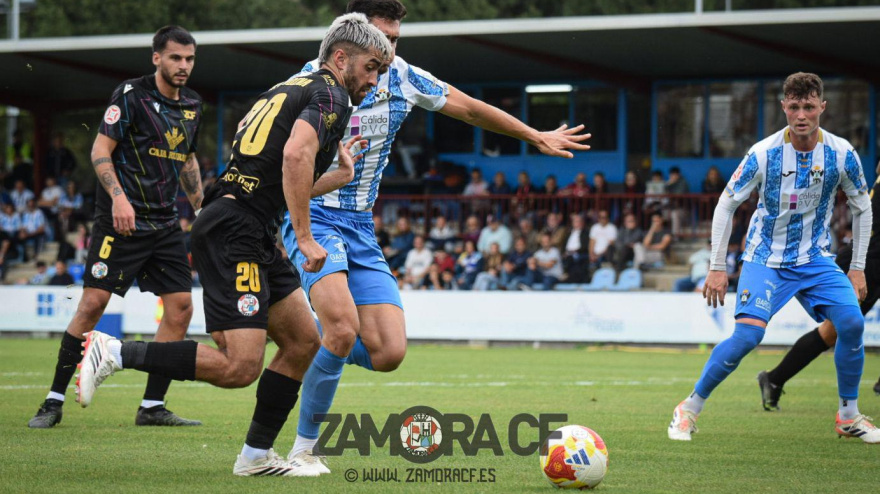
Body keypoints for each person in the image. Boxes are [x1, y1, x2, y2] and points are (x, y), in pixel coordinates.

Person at [279, 0, 590, 473]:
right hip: (316, 213)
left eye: (396, 40)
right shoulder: (314, 81)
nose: (388, 51)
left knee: (388, 352)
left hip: (361, 224)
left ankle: (304, 333)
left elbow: (469, 109)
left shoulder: (402, 77)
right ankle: (303, 448)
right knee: (343, 330)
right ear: (349, 40)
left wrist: (534, 135)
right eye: (380, 40)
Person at [74, 14, 392, 475]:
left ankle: (255, 457)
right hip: (236, 229)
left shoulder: (291, 87)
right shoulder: (332, 94)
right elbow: (294, 156)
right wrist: (303, 236)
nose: (374, 79)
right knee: (240, 367)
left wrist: (338, 177)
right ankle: (115, 351)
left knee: (304, 340)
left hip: (247, 224)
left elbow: (275, 173)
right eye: (371, 67)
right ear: (341, 58)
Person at [668, 72, 879, 443]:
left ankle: (848, 416)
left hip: (815, 259)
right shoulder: (763, 154)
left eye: (809, 107)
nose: (801, 115)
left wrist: (857, 267)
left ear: (822, 108)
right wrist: (717, 266)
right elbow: (725, 204)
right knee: (748, 336)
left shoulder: (842, 152)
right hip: (765, 258)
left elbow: (863, 207)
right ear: (783, 107)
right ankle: (688, 408)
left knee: (851, 324)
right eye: (794, 107)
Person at [27, 26, 206, 430]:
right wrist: (119, 199)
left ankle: (152, 406)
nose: (183, 66)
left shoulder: (194, 106)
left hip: (163, 224)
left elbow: (188, 161)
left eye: (190, 59)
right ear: (156, 57)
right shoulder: (131, 95)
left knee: (180, 308)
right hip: (120, 221)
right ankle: (52, 401)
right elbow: (100, 150)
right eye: (176, 57)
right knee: (92, 305)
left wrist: (201, 209)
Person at [757, 160, 880, 410]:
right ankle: (774, 378)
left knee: (835, 330)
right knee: (833, 330)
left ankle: (774, 379)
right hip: (869, 261)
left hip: (870, 257)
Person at [563, 213, 590, 282]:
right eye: (576, 221)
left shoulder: (585, 233)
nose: (578, 223)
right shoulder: (568, 233)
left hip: (579, 254)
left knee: (571, 259)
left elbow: (585, 246)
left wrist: (574, 251)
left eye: (579, 221)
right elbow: (564, 245)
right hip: (567, 254)